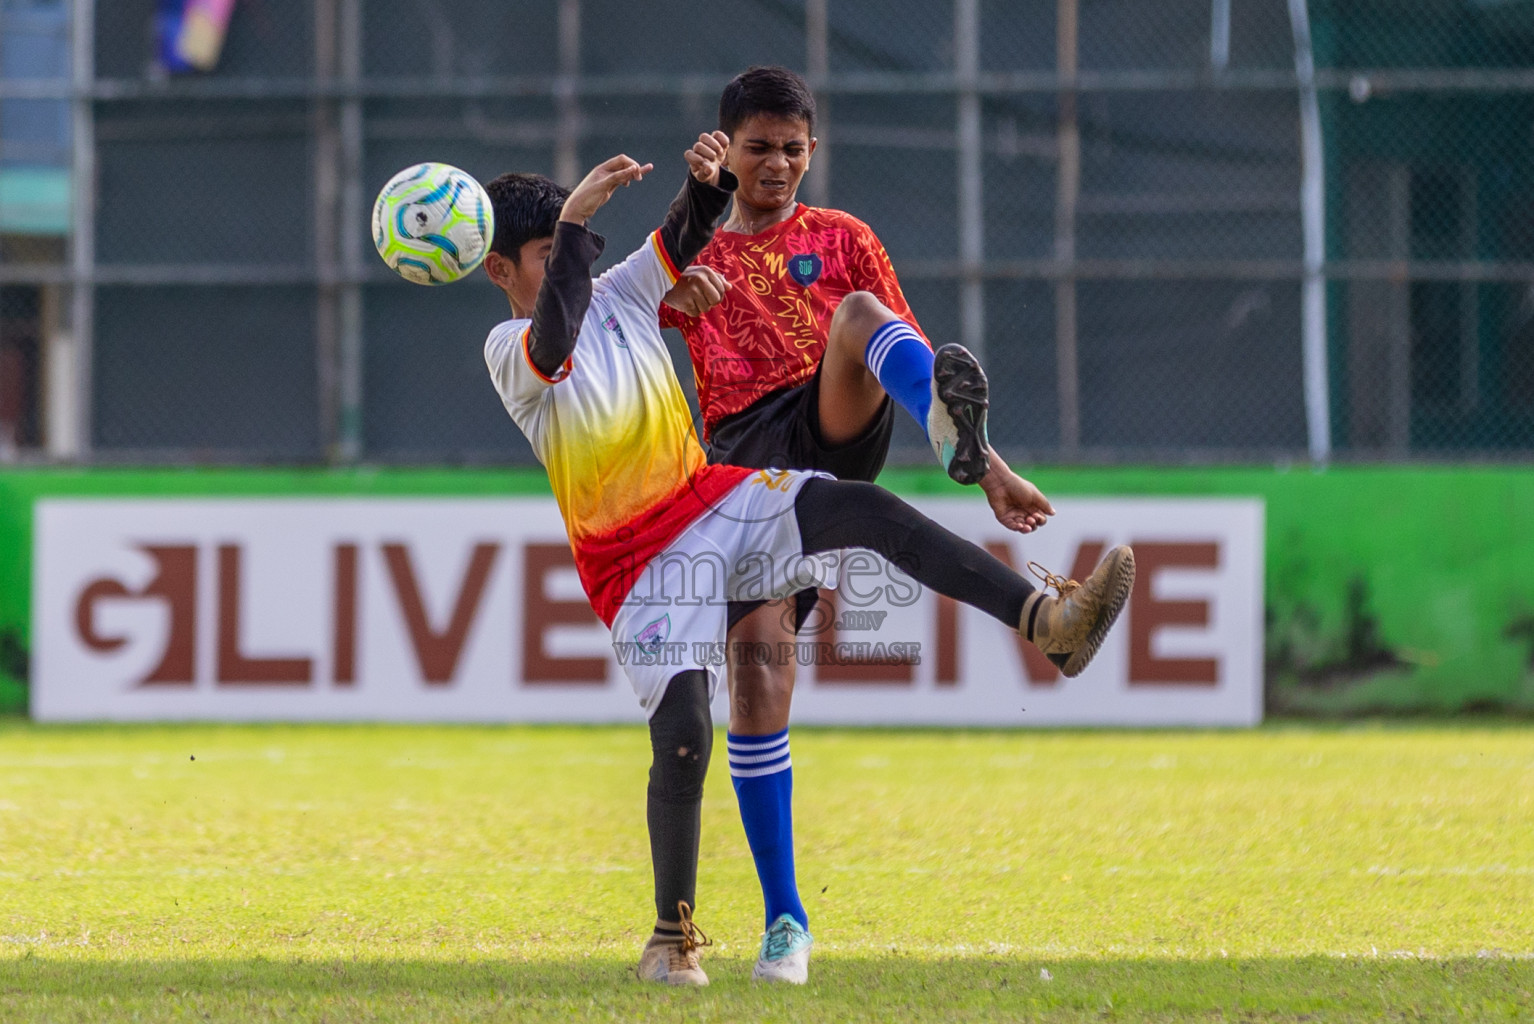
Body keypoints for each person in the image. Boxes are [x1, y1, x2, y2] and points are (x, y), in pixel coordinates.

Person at [479, 134, 1136, 985]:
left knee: (858, 506)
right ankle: (671, 941)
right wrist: (572, 223)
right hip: (634, 564)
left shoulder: (619, 291)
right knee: (682, 736)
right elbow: (555, 338)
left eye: (567, 248)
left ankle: (1049, 622)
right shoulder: (510, 350)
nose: (571, 260)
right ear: (501, 273)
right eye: (545, 253)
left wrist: (704, 182)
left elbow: (679, 236)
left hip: (707, 500)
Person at [656, 66, 1058, 981]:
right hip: (743, 466)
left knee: (862, 316)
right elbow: (613, 325)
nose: (779, 165)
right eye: (759, 147)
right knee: (757, 684)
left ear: (813, 150)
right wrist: (664, 295)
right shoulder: (687, 246)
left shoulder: (842, 237)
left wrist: (990, 473)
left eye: (795, 149)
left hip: (834, 420)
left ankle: (962, 448)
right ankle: (787, 922)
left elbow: (909, 355)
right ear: (726, 146)